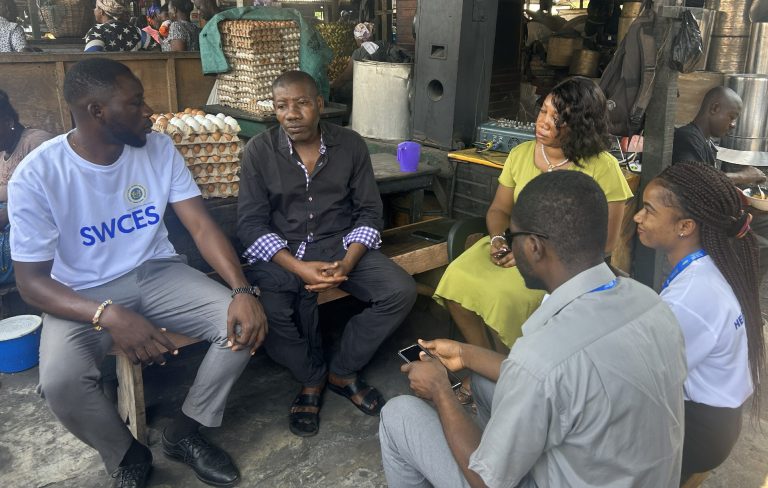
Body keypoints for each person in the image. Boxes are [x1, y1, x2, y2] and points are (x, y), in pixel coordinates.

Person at [8, 58, 267, 488]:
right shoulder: (37, 176)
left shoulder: (159, 148)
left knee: (241, 322)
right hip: (80, 292)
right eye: (136, 103)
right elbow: (30, 284)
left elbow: (200, 225)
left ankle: (184, 431)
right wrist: (108, 315)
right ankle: (127, 455)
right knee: (60, 381)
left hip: (156, 272)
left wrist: (240, 287)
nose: (149, 111)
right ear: (96, 111)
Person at [379, 171, 687, 488]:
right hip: (630, 472)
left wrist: (441, 391)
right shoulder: (651, 302)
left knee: (399, 415)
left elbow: (487, 482)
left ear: (534, 247)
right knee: (484, 382)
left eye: (512, 238)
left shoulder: (543, 353)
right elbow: (552, 380)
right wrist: (465, 353)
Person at [238, 70, 417, 437]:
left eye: (301, 103)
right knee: (270, 312)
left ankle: (342, 368)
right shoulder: (258, 151)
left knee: (399, 290)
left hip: (340, 244)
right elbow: (251, 224)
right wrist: (299, 268)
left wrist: (347, 262)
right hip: (283, 252)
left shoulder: (349, 145)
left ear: (319, 104)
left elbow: (369, 211)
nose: (291, 114)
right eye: (281, 106)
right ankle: (311, 377)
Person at [433, 77, 633, 352]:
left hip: (562, 264)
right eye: (543, 111)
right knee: (456, 277)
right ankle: (483, 363)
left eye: (557, 117)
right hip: (513, 244)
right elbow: (499, 209)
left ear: (581, 123)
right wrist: (498, 240)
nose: (543, 122)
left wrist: (538, 252)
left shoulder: (603, 167)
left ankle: (510, 369)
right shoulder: (520, 154)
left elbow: (607, 242)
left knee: (504, 297)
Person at [633, 162, 765, 483]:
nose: (637, 217)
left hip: (698, 431)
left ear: (685, 226)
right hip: (722, 419)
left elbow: (642, 379)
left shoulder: (689, 298)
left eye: (648, 211)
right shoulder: (718, 261)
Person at [0, 90, 53, 285]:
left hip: (37, 229)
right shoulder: (3, 153)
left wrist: (7, 214)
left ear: (8, 122)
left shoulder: (36, 143)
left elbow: (50, 195)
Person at [672, 86, 766, 185]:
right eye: (732, 117)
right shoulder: (686, 138)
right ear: (714, 108)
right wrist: (742, 176)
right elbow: (695, 180)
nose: (733, 124)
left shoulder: (706, 142)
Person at [330, 22, 388, 106]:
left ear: (359, 39)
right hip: (383, 86)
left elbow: (346, 76)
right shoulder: (382, 45)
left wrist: (333, 85)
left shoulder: (359, 53)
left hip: (368, 89)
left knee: (343, 91)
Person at [84, 0, 157, 52]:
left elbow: (91, 58)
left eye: (96, 7)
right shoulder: (138, 31)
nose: (94, 10)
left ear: (101, 11)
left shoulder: (97, 31)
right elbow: (157, 50)